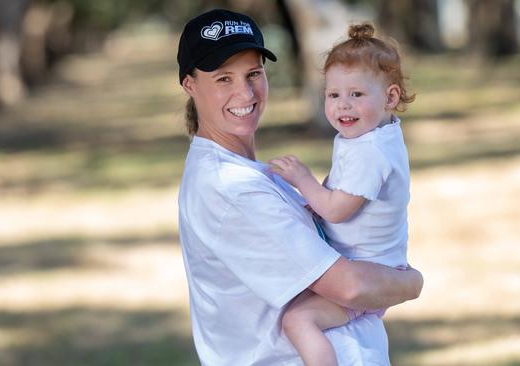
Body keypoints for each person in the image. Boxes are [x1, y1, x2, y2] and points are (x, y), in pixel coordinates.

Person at [176, 9, 423, 366]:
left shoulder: (248, 173)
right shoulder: (229, 188)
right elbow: (350, 287)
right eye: (223, 79)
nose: (245, 92)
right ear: (190, 84)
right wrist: (412, 283)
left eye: (254, 74)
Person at [269, 23, 415, 366]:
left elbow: (337, 210)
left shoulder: (371, 153)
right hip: (371, 266)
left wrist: (303, 180)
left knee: (298, 320)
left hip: (368, 276)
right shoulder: (373, 134)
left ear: (390, 98)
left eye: (356, 95)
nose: (343, 106)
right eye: (333, 95)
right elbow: (342, 185)